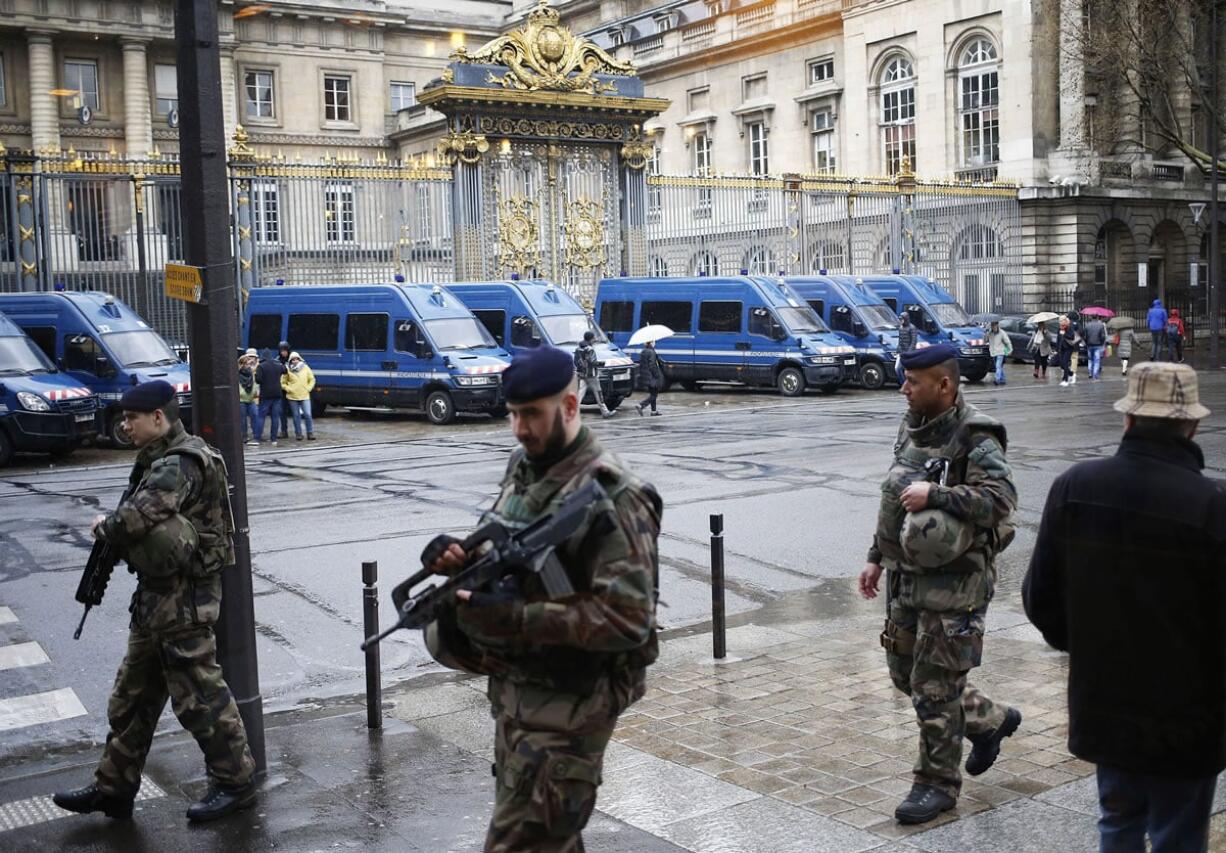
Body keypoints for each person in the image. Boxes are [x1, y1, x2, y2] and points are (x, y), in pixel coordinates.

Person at [420, 345, 662, 852]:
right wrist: (461, 556)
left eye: (532, 414)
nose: (520, 428)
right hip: (522, 693)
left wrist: (515, 619)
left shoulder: (616, 494)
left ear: (570, 407)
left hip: (572, 707)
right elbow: (509, 545)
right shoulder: (525, 465)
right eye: (513, 414)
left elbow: (627, 620)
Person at [1022, 363, 1223, 853]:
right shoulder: (1212, 505)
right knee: (1178, 833)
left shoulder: (1074, 487)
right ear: (1191, 426)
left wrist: (1087, 644)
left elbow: (1040, 600)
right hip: (1189, 719)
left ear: (1128, 420)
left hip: (1105, 704)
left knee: (1117, 823)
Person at [53, 381, 257, 823]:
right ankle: (114, 788)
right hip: (156, 601)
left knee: (200, 697)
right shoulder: (160, 458)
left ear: (158, 418)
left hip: (183, 603)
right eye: (124, 419)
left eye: (132, 419)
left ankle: (235, 783)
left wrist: (104, 526)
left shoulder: (179, 462)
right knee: (132, 697)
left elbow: (137, 516)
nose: (125, 426)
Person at [858, 343, 1021, 825]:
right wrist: (875, 558)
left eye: (913, 382)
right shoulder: (912, 428)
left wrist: (940, 493)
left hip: (957, 584)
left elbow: (1000, 501)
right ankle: (989, 720)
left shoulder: (976, 436)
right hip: (906, 577)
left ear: (944, 385)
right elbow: (893, 500)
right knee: (905, 673)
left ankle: (937, 785)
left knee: (933, 685)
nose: (903, 389)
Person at [573, 330, 612, 418]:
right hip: (592, 375)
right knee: (598, 392)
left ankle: (573, 412)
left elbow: (575, 362)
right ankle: (605, 412)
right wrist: (602, 363)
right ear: (590, 339)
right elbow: (592, 361)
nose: (594, 339)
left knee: (580, 393)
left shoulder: (578, 349)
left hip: (582, 374)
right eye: (593, 338)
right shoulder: (590, 349)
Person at [280, 351, 316, 441]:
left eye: (296, 359)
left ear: (299, 359)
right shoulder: (287, 369)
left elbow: (312, 379)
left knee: (308, 414)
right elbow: (282, 382)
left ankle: (310, 432)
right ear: (290, 361)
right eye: (293, 360)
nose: (295, 361)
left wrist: (308, 388)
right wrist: (288, 389)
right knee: (296, 415)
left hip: (305, 395)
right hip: (292, 396)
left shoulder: (306, 368)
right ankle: (298, 434)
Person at [253, 349, 285, 446]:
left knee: (261, 416)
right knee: (275, 417)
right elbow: (285, 370)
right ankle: (274, 439)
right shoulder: (277, 365)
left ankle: (257, 438)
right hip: (277, 393)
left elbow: (258, 380)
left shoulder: (261, 366)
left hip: (266, 394)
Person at [635, 339, 664, 416]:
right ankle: (641, 405)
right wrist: (657, 375)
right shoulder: (651, 352)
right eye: (653, 341)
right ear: (651, 343)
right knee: (654, 395)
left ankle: (653, 411)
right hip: (652, 376)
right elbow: (652, 366)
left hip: (646, 376)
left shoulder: (643, 351)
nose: (655, 343)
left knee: (653, 393)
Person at [237, 348, 258, 443]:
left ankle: (256, 435)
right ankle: (243, 436)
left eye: (248, 363)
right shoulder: (237, 374)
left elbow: (255, 384)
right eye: (246, 363)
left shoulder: (252, 372)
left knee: (255, 416)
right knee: (243, 419)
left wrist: (255, 392)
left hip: (251, 399)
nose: (248, 365)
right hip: (241, 399)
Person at [987, 320, 1012, 385]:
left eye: (994, 325)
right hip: (993, 353)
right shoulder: (990, 333)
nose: (993, 327)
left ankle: (997, 379)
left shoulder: (1002, 333)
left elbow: (1007, 342)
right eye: (992, 325)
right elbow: (985, 340)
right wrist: (986, 334)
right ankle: (1003, 379)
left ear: (997, 325)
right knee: (999, 366)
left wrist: (1010, 350)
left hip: (1000, 352)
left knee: (998, 366)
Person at [896, 313, 918, 387]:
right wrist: (898, 348)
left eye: (901, 319)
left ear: (906, 319)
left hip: (909, 353)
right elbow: (900, 340)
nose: (900, 321)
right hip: (902, 353)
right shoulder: (900, 328)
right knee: (897, 368)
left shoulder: (912, 328)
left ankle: (908, 385)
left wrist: (909, 352)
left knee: (908, 370)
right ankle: (904, 384)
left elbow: (914, 341)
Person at [1084, 316, 1108, 380]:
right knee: (1096, 360)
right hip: (1098, 345)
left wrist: (1087, 343)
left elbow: (1085, 337)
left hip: (1089, 345)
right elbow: (1103, 336)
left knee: (1090, 359)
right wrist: (1102, 343)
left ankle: (1090, 373)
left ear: (1091, 318)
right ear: (1097, 318)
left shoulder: (1087, 325)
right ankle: (1095, 374)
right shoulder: (1100, 325)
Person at [276, 341, 292, 439]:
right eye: (282, 351)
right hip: (282, 389)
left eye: (285, 351)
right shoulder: (277, 361)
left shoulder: (293, 360)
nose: (284, 353)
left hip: (291, 388)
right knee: (282, 411)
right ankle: (284, 431)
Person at [1057, 316, 1079, 387]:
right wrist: (1057, 348)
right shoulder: (1059, 328)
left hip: (1068, 348)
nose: (1060, 322)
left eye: (1062, 320)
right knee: (1062, 365)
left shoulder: (1069, 327)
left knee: (1065, 363)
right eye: (1059, 321)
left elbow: (1072, 336)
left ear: (1065, 321)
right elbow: (1058, 338)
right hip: (1061, 348)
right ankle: (1071, 374)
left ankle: (1065, 380)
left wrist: (1065, 334)